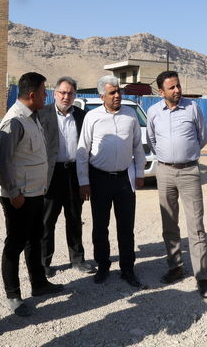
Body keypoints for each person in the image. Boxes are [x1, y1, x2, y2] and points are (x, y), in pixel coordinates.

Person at [0, 72, 63, 317]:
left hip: (34, 192)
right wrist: (13, 193)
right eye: (45, 92)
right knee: (15, 244)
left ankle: (39, 283)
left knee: (34, 238)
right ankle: (13, 295)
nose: (47, 96)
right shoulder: (14, 120)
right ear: (32, 95)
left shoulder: (33, 117)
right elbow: (3, 161)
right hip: (19, 196)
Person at [146, 71, 207, 298]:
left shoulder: (192, 108)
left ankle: (202, 277)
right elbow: (152, 141)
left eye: (178, 86)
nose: (177, 90)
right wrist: (168, 156)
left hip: (189, 171)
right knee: (169, 224)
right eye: (171, 87)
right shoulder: (153, 112)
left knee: (196, 225)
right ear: (161, 92)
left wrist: (186, 154)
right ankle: (175, 267)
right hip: (164, 172)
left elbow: (202, 137)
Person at [76, 75, 146, 288]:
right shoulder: (92, 117)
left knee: (126, 226)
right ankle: (103, 265)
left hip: (125, 179)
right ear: (102, 96)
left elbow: (137, 146)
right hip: (99, 179)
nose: (117, 96)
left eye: (119, 91)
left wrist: (140, 173)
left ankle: (128, 268)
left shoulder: (130, 115)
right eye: (112, 92)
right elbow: (82, 150)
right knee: (100, 226)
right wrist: (83, 181)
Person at [39, 76, 96, 277]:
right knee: (46, 221)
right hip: (50, 175)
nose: (66, 96)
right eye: (62, 92)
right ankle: (44, 263)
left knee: (74, 218)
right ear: (54, 94)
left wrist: (85, 180)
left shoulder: (82, 116)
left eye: (70, 93)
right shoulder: (42, 114)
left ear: (75, 96)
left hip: (73, 173)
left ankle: (78, 259)